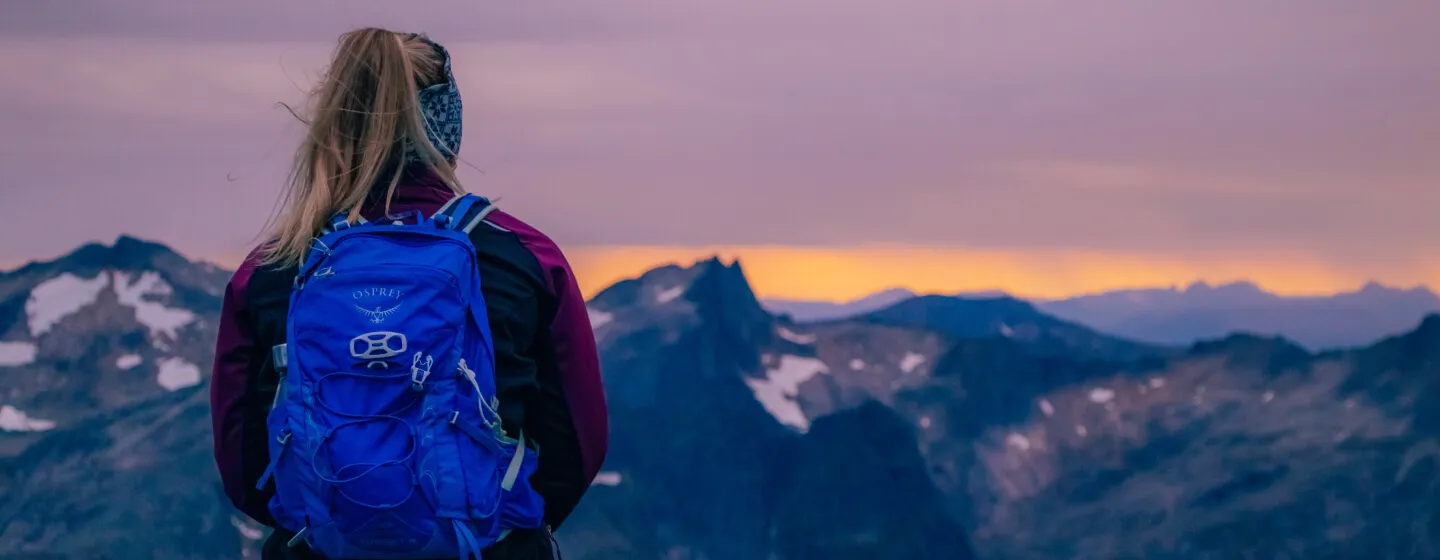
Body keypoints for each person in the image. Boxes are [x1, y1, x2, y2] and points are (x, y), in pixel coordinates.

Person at [209, 28, 608, 560]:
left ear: (337, 121)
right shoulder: (526, 257)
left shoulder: (272, 267)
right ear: (447, 125)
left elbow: (242, 464)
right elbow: (578, 446)